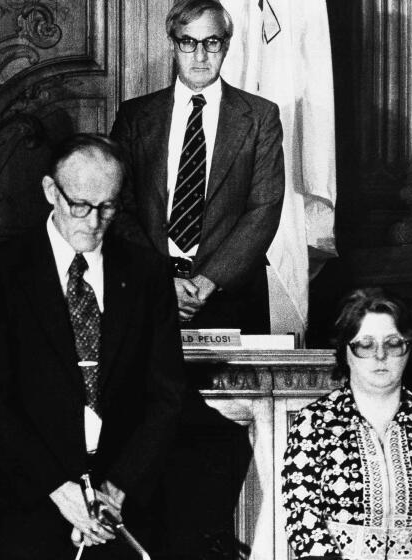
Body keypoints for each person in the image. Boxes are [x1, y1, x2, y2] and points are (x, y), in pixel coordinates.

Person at [0, 134, 190, 559]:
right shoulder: (1, 271)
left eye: (108, 207)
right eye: (80, 206)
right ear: (51, 191)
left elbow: (167, 396)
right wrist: (60, 490)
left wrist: (115, 491)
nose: (93, 221)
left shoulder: (146, 273)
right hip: (31, 504)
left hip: (122, 507)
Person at [109, 0, 284, 333]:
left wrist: (209, 281)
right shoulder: (135, 117)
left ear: (227, 45)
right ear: (173, 43)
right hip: (148, 291)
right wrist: (163, 280)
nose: (200, 56)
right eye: (188, 42)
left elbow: (264, 208)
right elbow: (118, 206)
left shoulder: (261, 117)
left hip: (230, 298)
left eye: (212, 42)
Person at [282, 288, 412, 559]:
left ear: (408, 348)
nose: (380, 356)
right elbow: (302, 515)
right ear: (345, 350)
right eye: (365, 345)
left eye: (393, 343)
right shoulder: (313, 425)